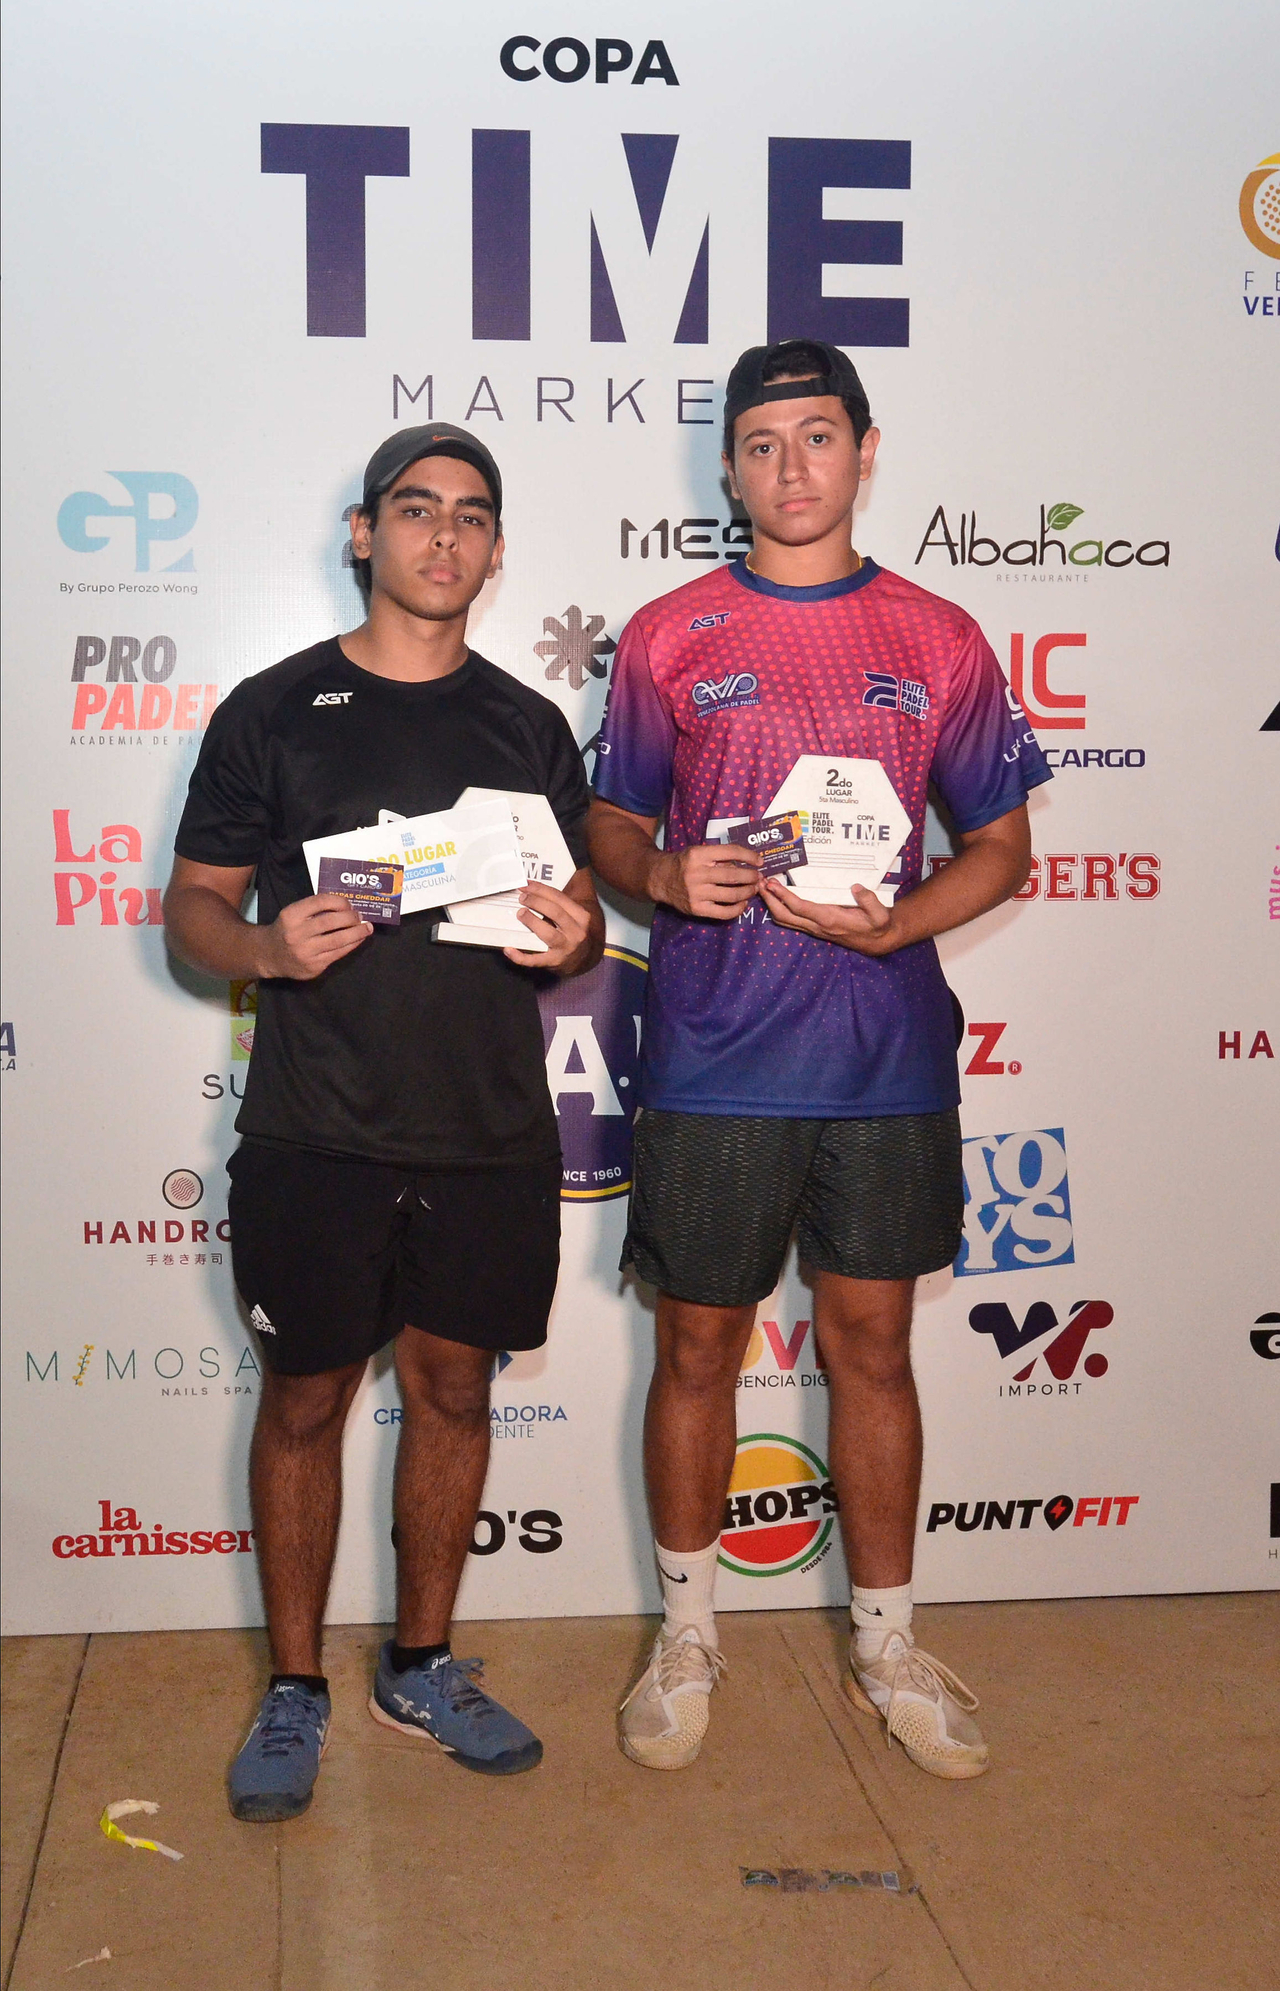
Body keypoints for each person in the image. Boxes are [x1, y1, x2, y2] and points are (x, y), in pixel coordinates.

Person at [588, 339, 1051, 1779]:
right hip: (717, 1056)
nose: (791, 467)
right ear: (729, 467)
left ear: (865, 449)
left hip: (881, 1057)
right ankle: (686, 1636)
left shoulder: (939, 636)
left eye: (818, 436)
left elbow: (1002, 846)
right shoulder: (669, 633)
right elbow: (611, 823)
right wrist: (662, 874)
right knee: (696, 1351)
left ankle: (888, 1643)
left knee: (873, 1351)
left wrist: (902, 920)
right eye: (762, 443)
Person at [164, 424, 603, 1821]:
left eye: (470, 515)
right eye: (415, 509)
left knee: (457, 1392)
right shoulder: (272, 710)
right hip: (317, 1131)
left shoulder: (529, 726)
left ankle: (420, 1665)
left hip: (487, 1130)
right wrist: (264, 948)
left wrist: (575, 936)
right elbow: (191, 913)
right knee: (304, 1403)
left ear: (495, 548)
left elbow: (580, 917)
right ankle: (294, 1685)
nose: (442, 535)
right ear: (365, 534)